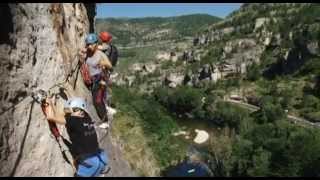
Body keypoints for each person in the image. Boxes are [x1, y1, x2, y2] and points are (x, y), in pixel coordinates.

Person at [45, 97, 109, 177]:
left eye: (68, 111)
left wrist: (47, 102)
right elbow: (60, 115)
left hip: (89, 162)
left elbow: (51, 117)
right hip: (100, 159)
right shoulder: (87, 118)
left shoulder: (73, 120)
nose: (67, 114)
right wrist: (51, 103)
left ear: (76, 110)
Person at [80, 33, 112, 128]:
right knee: (98, 100)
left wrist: (104, 64)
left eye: (91, 44)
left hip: (99, 80)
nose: (89, 46)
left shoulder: (101, 55)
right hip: (91, 81)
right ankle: (105, 112)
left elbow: (110, 66)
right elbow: (82, 54)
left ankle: (105, 121)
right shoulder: (87, 52)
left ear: (96, 44)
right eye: (88, 44)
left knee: (97, 101)